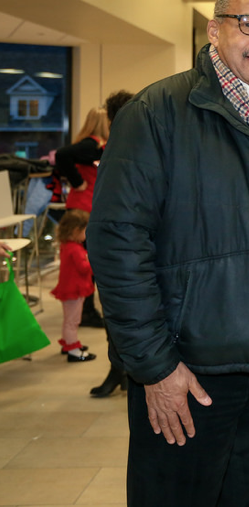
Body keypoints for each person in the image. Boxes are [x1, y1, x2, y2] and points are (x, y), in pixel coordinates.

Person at [87, 0, 249, 507]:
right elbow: (117, 242)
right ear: (214, 30)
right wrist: (154, 365)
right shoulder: (158, 113)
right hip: (191, 370)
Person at [88, 89, 134, 398]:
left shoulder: (138, 145)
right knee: (116, 313)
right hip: (115, 245)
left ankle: (124, 369)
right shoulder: (115, 147)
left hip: (135, 248)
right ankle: (119, 369)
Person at [54, 106, 110, 328]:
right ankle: (86, 312)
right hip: (82, 211)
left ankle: (85, 310)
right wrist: (77, 182)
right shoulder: (91, 145)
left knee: (86, 262)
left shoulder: (95, 147)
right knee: (84, 263)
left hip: (85, 209)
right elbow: (61, 155)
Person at [51, 209, 96, 362]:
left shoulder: (66, 245)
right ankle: (73, 351)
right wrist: (92, 261)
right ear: (76, 230)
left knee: (69, 319)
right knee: (73, 321)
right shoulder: (76, 249)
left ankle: (68, 344)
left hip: (69, 288)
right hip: (74, 290)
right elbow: (84, 268)